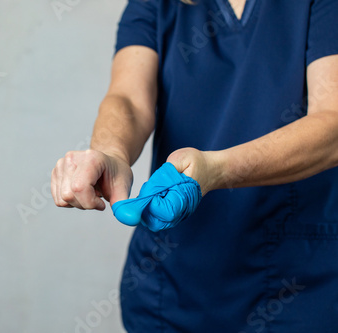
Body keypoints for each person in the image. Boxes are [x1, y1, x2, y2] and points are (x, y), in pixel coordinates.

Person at [51, 0, 338, 331]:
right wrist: (111, 153)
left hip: (297, 284)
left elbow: (331, 123)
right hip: (171, 287)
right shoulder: (154, 5)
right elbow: (128, 98)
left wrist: (216, 169)